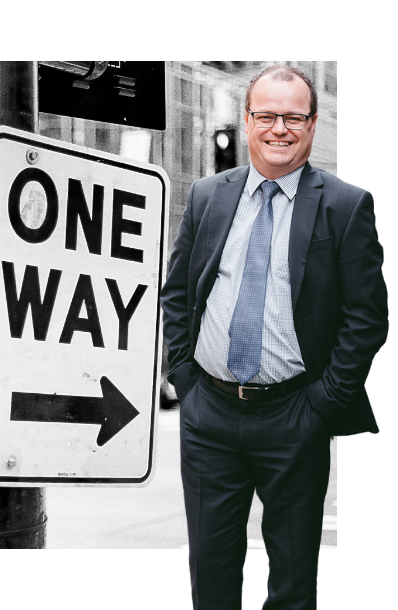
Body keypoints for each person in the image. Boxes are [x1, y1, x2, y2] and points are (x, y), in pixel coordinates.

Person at [160, 64, 388, 609]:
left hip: (294, 417)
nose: (278, 128)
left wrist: (322, 405)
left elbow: (367, 317)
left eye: (292, 117)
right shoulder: (208, 195)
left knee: (291, 582)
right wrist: (185, 380)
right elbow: (177, 295)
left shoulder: (345, 205)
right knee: (211, 576)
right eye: (266, 115)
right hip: (209, 415)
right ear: (246, 122)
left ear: (311, 125)